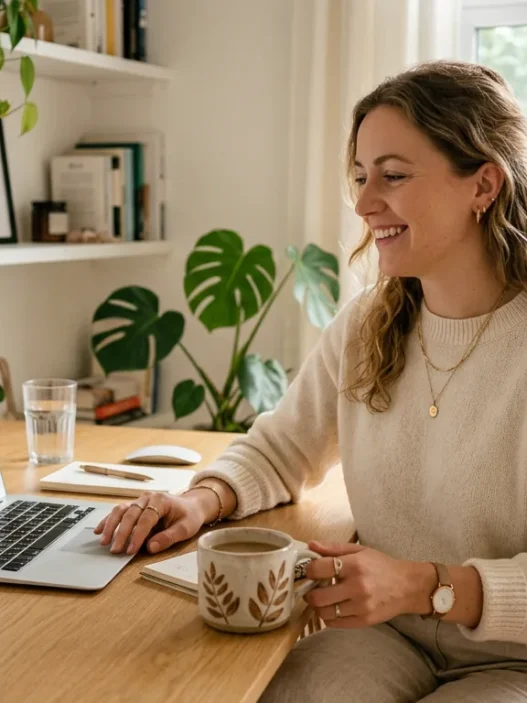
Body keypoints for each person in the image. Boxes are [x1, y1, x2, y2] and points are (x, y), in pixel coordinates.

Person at [94, 60, 527, 702]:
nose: (364, 203)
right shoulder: (366, 325)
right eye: (359, 177)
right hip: (385, 636)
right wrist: (201, 500)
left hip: (512, 661)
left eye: (393, 176)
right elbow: (280, 449)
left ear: (482, 184)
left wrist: (424, 584)